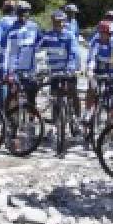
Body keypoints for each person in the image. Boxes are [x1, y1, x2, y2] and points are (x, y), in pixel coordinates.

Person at [37, 10, 81, 152]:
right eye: (56, 21)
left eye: (61, 21)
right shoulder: (47, 36)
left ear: (65, 22)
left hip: (69, 70)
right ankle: (57, 125)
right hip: (54, 72)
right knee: (55, 98)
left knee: (73, 94)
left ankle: (76, 121)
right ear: (53, 21)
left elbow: (74, 53)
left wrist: (70, 68)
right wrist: (37, 65)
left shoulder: (69, 35)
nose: (59, 24)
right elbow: (37, 49)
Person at [84, 20, 113, 125]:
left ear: (110, 34)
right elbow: (92, 56)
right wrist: (89, 69)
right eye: (100, 33)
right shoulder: (96, 41)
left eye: (104, 34)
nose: (102, 36)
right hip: (97, 72)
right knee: (91, 86)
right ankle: (88, 111)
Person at [1, 1, 41, 110]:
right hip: (14, 68)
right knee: (12, 93)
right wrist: (6, 72)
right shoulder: (10, 31)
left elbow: (40, 44)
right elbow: (5, 52)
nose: (23, 15)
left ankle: (32, 121)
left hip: (30, 68)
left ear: (29, 13)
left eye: (25, 12)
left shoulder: (34, 27)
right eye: (21, 12)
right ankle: (7, 118)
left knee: (32, 96)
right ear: (16, 13)